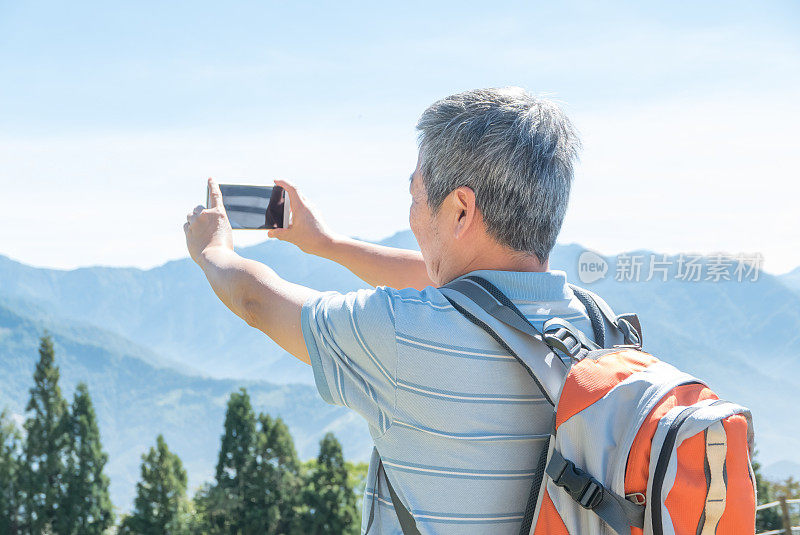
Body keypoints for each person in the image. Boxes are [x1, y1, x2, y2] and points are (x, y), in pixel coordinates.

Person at [184, 87, 611, 534]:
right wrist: (328, 245)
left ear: (462, 211)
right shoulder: (597, 324)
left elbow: (256, 301)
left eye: (416, 195)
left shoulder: (403, 335)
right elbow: (464, 288)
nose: (412, 213)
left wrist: (212, 249)